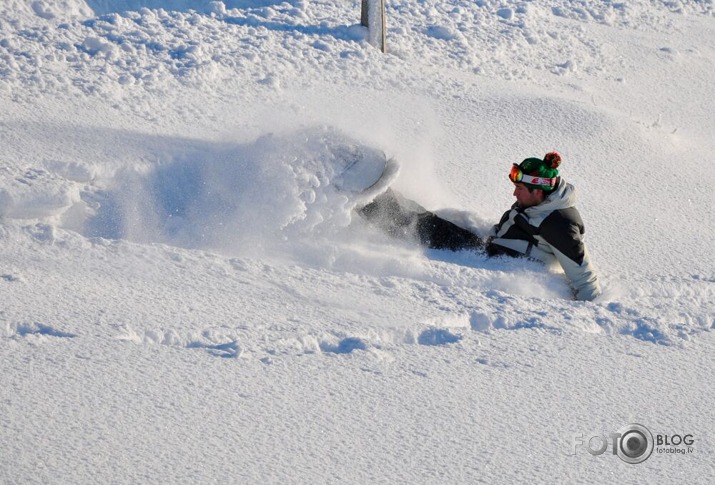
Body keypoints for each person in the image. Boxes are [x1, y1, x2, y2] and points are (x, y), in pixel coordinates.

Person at [357, 152, 601, 301]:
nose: (514, 192)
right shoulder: (540, 204)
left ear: (538, 191)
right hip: (490, 249)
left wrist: (589, 306)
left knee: (421, 228)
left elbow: (583, 271)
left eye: (520, 188)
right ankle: (381, 191)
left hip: (494, 262)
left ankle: (362, 200)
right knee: (429, 219)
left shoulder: (558, 222)